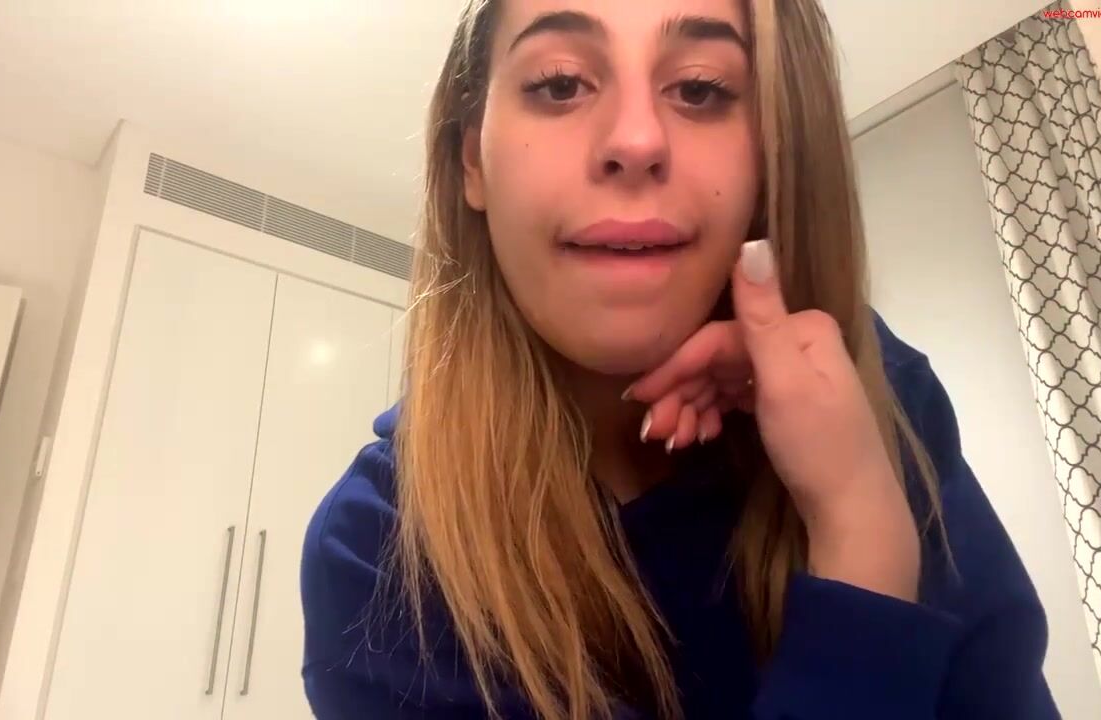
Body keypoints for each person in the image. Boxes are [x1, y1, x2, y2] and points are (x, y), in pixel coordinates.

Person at [301, 0, 1059, 718]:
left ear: (772, 154)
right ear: (472, 159)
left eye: (700, 89)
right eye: (560, 84)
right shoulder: (372, 549)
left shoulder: (873, 395)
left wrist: (856, 492)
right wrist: (866, 550)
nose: (636, 141)